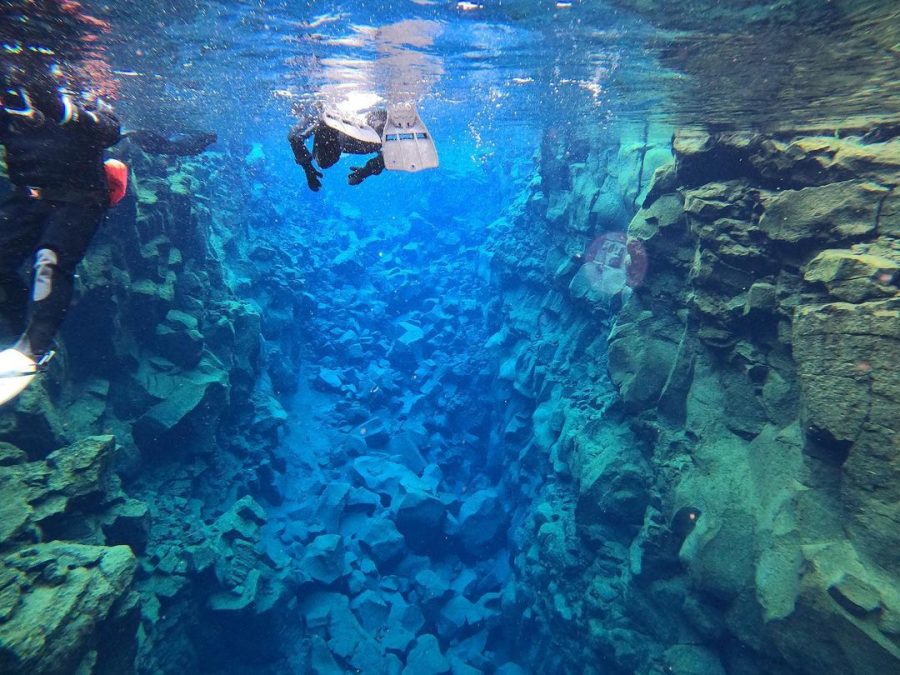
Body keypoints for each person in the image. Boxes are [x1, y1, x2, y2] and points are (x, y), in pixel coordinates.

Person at [0, 67, 122, 403]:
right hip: (27, 196)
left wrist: (64, 110)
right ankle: (10, 336)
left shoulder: (83, 91)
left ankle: (34, 348)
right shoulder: (11, 95)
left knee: (49, 262)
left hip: (80, 200)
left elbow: (111, 130)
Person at [288, 106, 388, 192]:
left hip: (367, 127)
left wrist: (308, 170)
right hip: (370, 125)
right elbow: (294, 138)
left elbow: (294, 137)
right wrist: (365, 172)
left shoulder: (367, 144)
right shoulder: (368, 144)